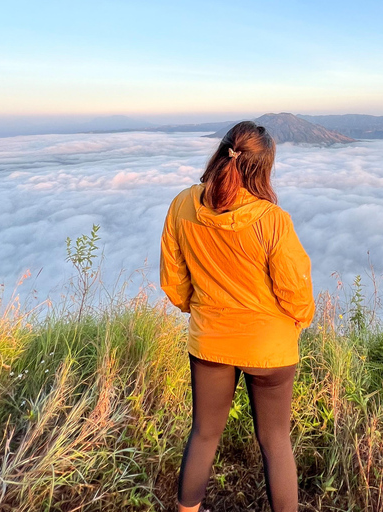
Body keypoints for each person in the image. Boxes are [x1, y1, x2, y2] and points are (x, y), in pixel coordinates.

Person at [159, 120, 316, 512]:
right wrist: (300, 320)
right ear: (262, 168)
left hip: (210, 340)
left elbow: (173, 279)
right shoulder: (272, 220)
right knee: (276, 442)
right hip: (271, 348)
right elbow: (295, 292)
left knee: (204, 435)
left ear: (222, 152)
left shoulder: (182, 204)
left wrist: (195, 310)